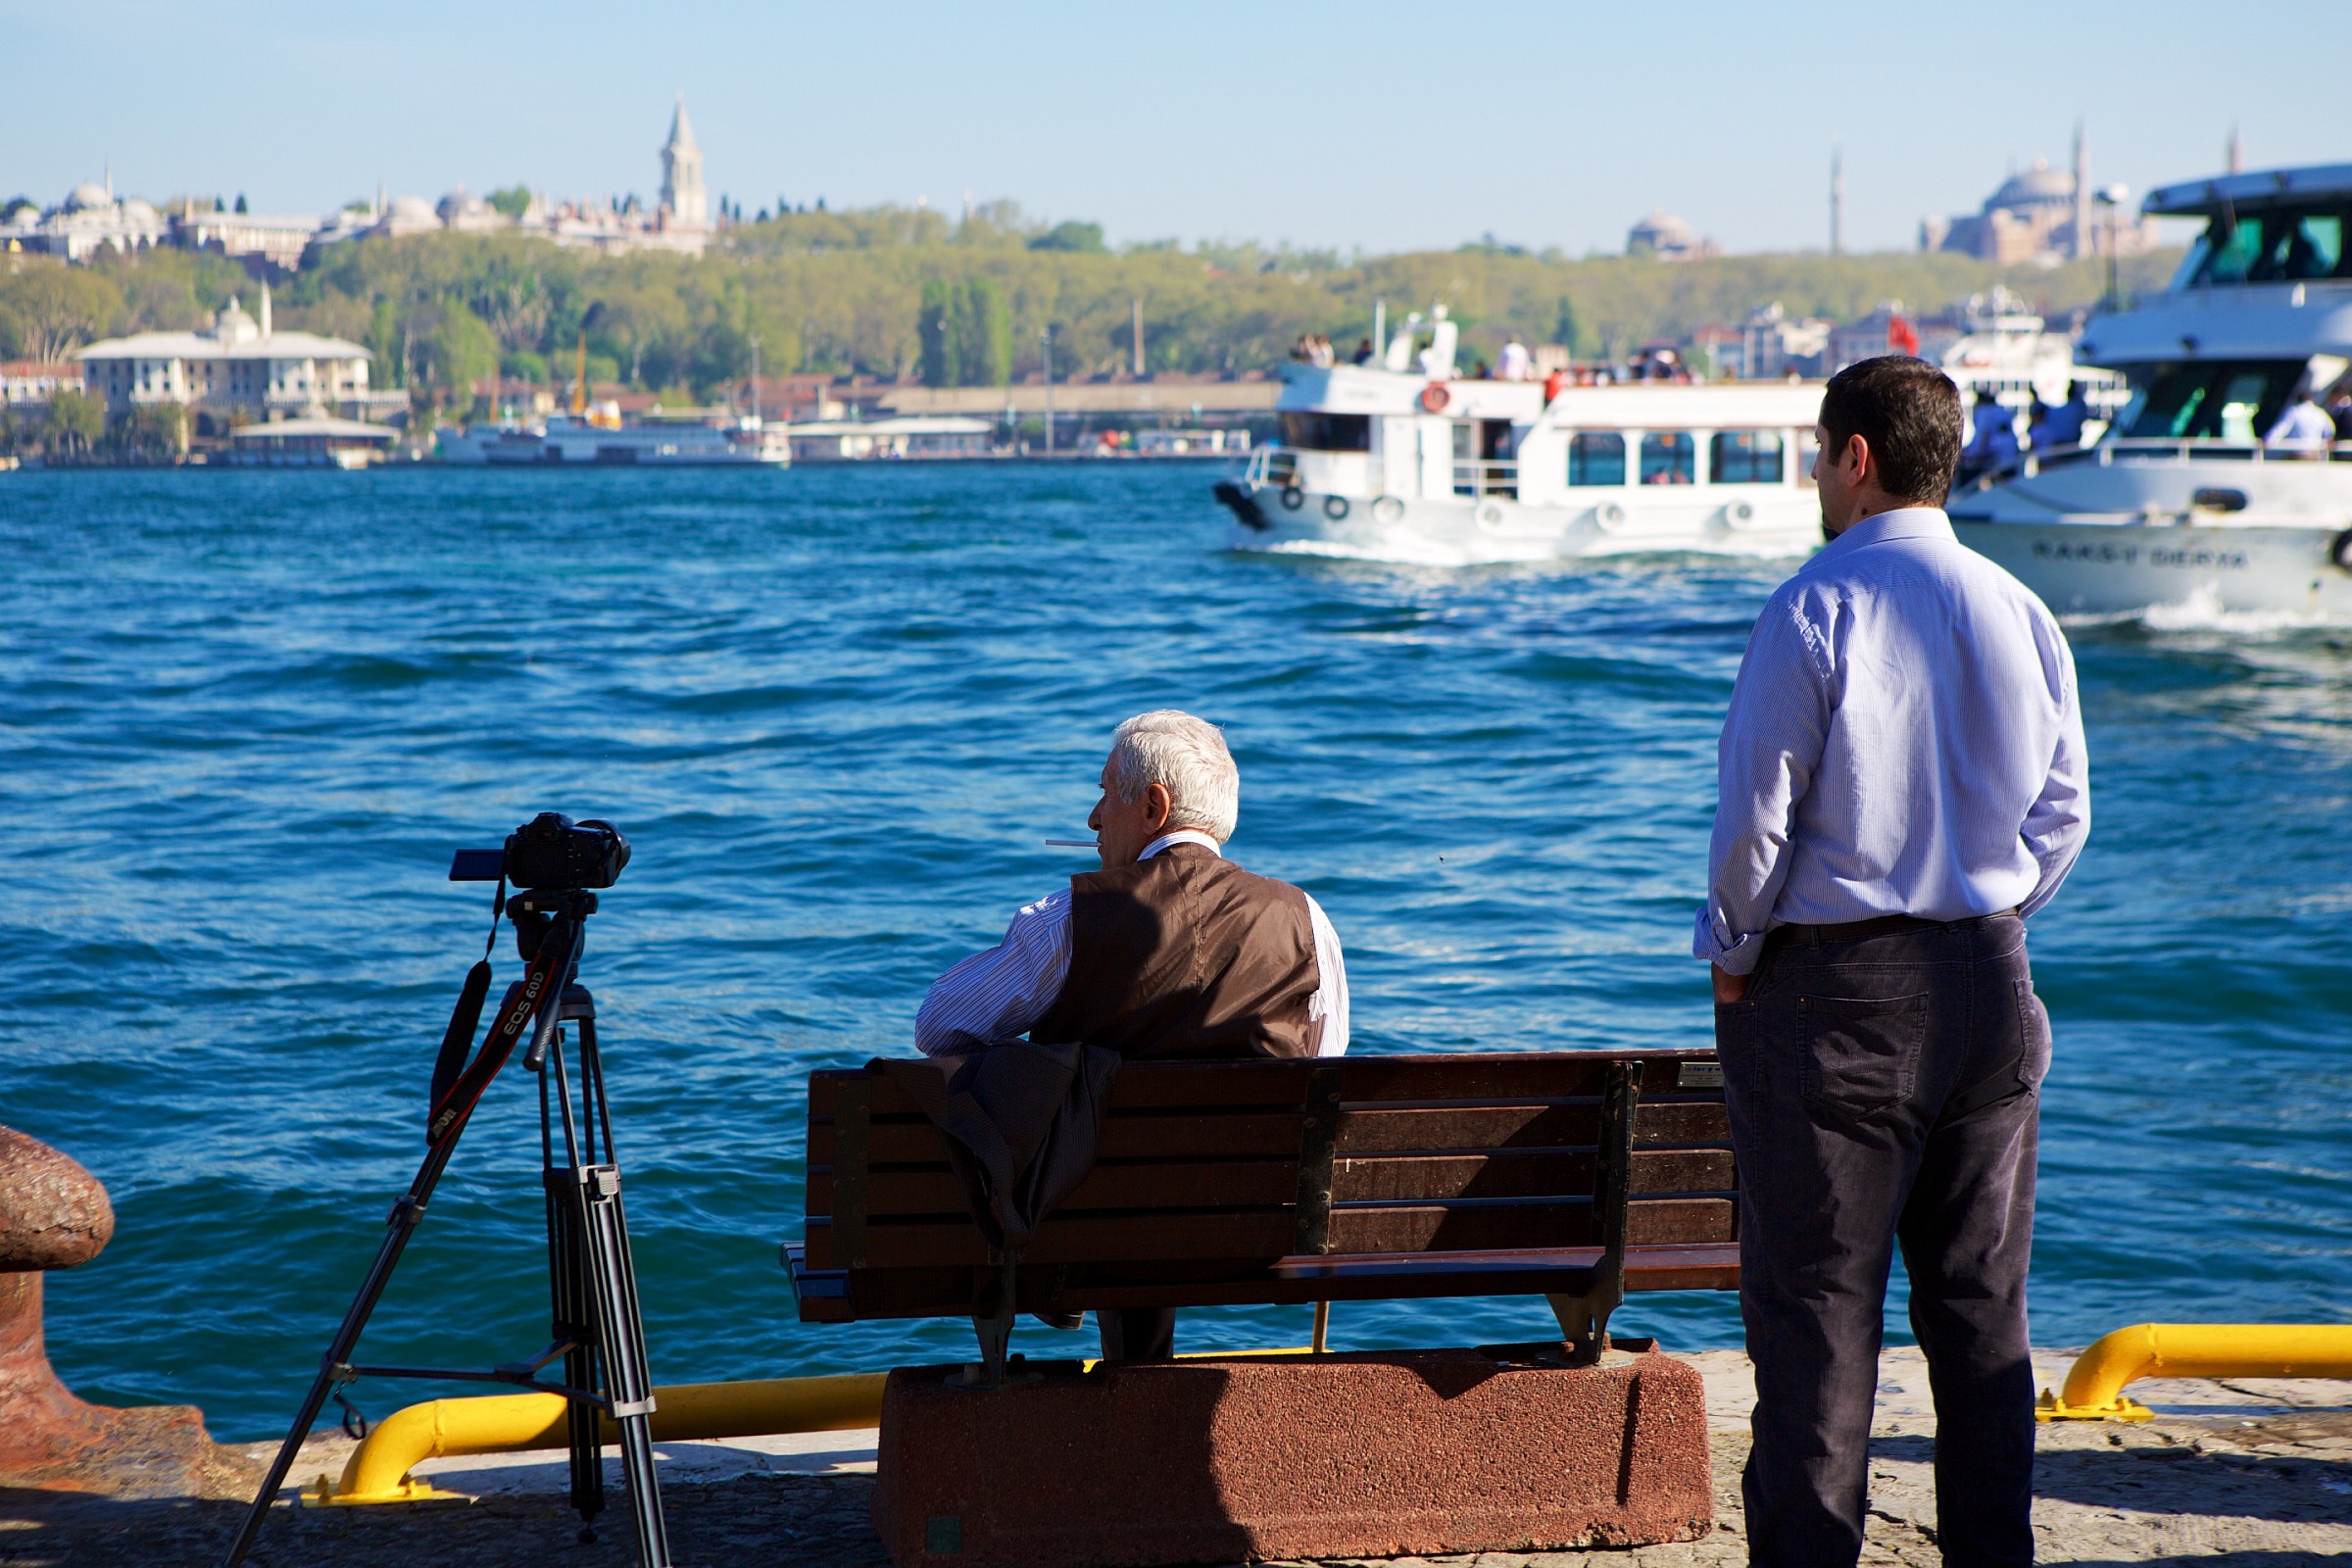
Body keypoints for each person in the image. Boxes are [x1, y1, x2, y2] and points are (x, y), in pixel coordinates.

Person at [1697, 355, 2089, 1568]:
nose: (1818, 478)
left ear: (1855, 457)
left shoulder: (1814, 605)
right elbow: (2063, 813)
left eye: (1820, 454)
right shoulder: (2021, 608)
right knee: (1982, 1320)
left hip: (1836, 995)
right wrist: (1995, 913)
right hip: (1990, 979)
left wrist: (1733, 951)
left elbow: (1757, 820)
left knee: (1819, 1321)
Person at [915, 710, 1348, 1361]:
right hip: (1254, 1225)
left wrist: (1049, 1068)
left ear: (1153, 806)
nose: (1093, 819)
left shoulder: (1069, 920)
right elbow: (1327, 1062)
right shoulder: (1305, 921)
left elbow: (938, 1025)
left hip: (1091, 1234)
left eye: (1104, 793)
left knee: (986, 1077)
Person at [2264, 377, 2336, 455]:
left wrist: (2267, 441)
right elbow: (2330, 430)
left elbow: (2280, 429)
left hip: (2297, 454)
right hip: (2314, 454)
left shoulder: (2293, 412)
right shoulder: (2320, 413)